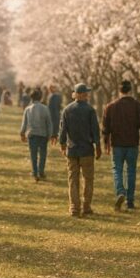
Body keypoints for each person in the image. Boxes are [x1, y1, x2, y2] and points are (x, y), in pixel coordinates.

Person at [102, 80, 140, 211]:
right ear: (130, 90)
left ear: (119, 91)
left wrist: (106, 143)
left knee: (117, 169)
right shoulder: (138, 106)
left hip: (117, 144)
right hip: (132, 143)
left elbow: (106, 128)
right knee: (131, 172)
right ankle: (130, 202)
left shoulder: (111, 106)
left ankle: (120, 191)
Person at [59, 83, 101, 217]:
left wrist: (62, 144)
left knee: (73, 179)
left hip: (72, 150)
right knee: (88, 179)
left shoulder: (67, 110)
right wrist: (98, 146)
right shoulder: (90, 110)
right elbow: (95, 130)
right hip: (87, 150)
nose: (88, 95)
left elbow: (63, 130)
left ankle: (74, 207)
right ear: (82, 94)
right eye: (86, 93)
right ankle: (86, 206)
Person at [20, 89, 52, 182]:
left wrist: (22, 133)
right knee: (43, 154)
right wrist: (49, 134)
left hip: (32, 134)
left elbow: (24, 123)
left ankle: (34, 172)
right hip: (43, 134)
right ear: (40, 97)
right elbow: (49, 123)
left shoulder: (28, 109)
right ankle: (41, 171)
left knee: (33, 154)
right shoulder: (45, 108)